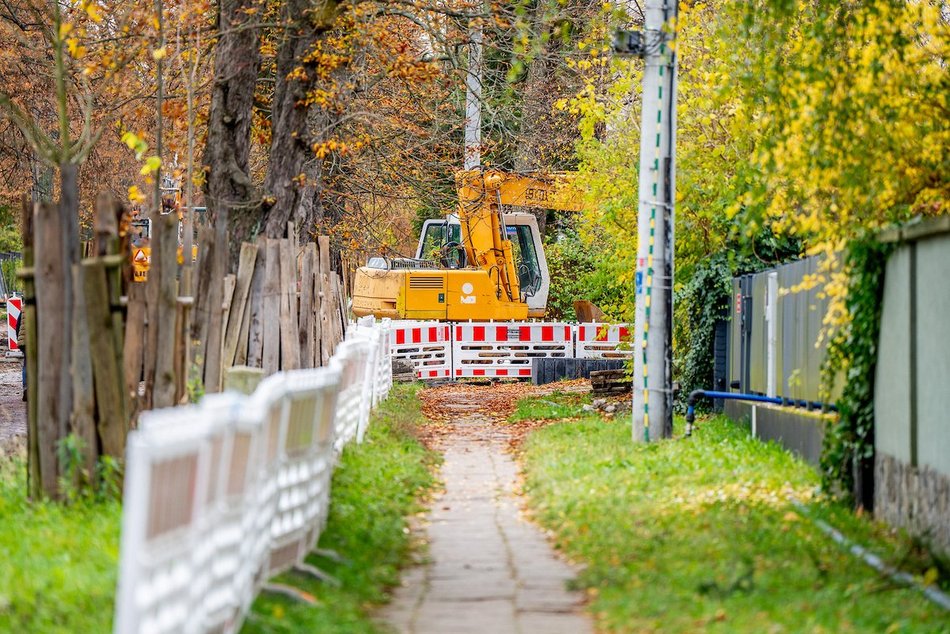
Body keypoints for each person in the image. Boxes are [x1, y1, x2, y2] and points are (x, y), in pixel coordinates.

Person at [15, 311, 25, 401]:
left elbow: (17, 327)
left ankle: (26, 387)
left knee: (27, 364)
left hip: (24, 342)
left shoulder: (23, 310)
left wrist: (19, 341)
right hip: (37, 342)